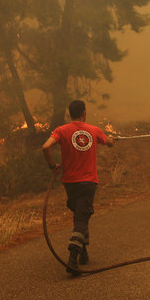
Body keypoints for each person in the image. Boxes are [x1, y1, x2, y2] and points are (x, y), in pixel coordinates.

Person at [42, 100, 115, 275]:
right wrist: (111, 138)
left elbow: (45, 147)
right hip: (89, 182)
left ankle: (83, 253)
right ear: (84, 113)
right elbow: (109, 143)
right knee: (82, 218)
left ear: (70, 114)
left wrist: (53, 166)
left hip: (70, 182)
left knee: (79, 214)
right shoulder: (94, 130)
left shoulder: (61, 130)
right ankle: (73, 259)